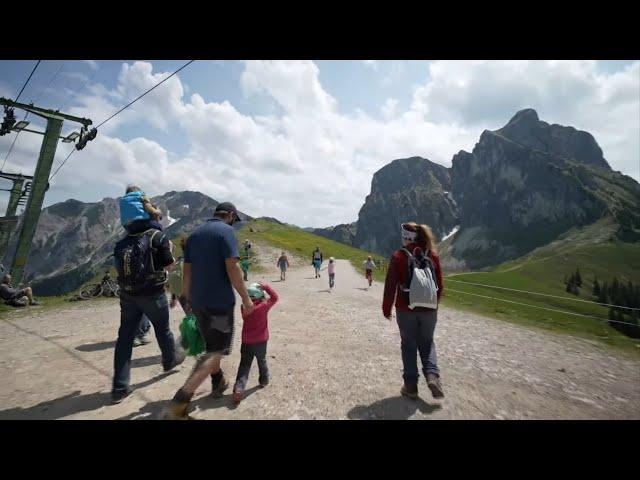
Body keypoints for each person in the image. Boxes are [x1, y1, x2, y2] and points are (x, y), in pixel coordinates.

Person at [164, 202, 254, 420]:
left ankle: (218, 381)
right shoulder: (227, 232)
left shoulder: (195, 235)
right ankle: (179, 402)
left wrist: (187, 298)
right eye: (234, 219)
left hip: (199, 304)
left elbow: (187, 270)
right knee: (215, 352)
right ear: (231, 216)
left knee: (213, 345)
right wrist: (246, 298)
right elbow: (233, 268)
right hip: (220, 305)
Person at [111, 219, 184, 404]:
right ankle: (169, 361)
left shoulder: (123, 241)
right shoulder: (156, 237)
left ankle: (119, 388)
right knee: (163, 329)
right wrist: (170, 251)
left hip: (128, 295)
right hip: (152, 294)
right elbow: (169, 265)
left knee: (125, 338)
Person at [382, 222, 445, 400]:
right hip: (429, 310)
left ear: (405, 237)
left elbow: (390, 286)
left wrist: (387, 308)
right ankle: (432, 376)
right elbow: (439, 286)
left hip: (405, 309)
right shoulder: (432, 255)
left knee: (408, 345)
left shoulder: (398, 256)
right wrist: (433, 304)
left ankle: (411, 387)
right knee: (427, 342)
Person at [232, 281, 279, 403]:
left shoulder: (244, 307)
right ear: (260, 295)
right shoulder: (263, 306)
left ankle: (239, 387)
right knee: (261, 361)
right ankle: (264, 381)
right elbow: (275, 298)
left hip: (247, 341)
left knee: (244, 365)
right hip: (261, 341)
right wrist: (266, 287)